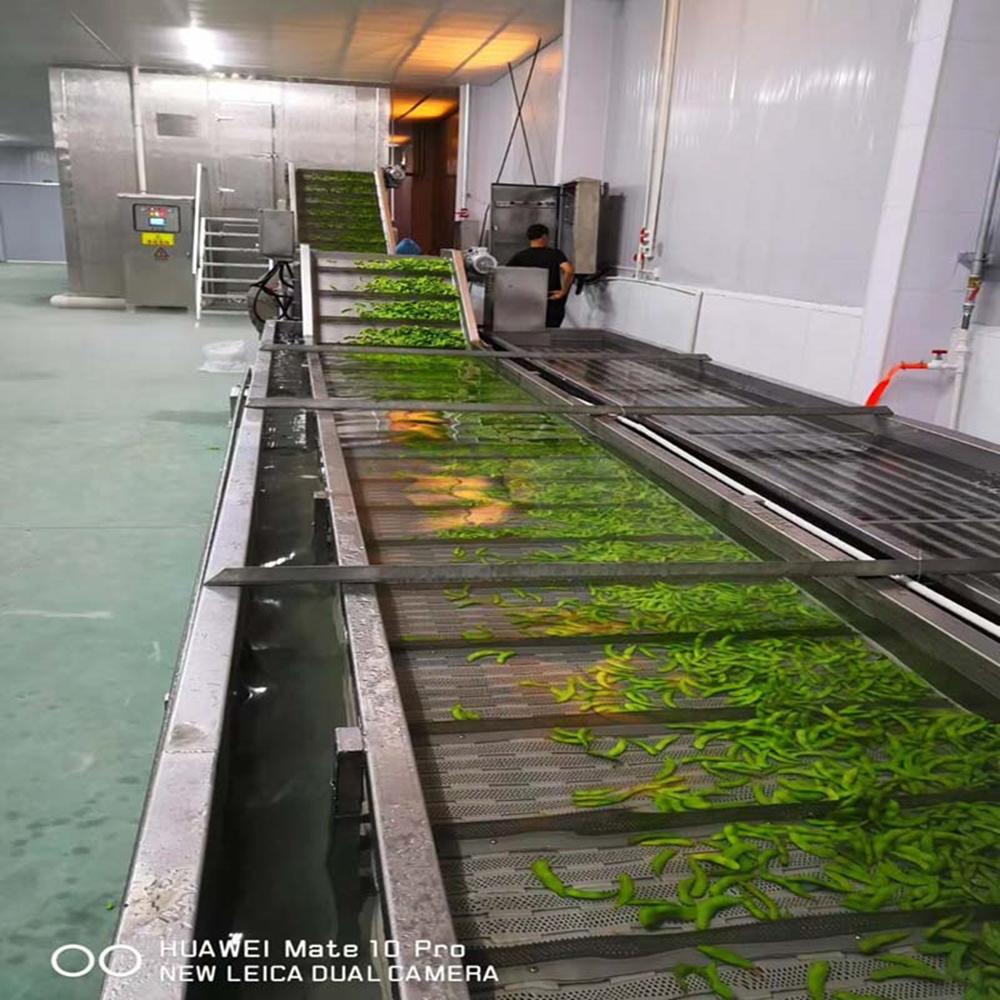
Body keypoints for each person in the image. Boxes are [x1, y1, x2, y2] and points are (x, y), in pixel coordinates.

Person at [507, 223, 575, 328]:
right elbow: (569, 271)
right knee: (550, 334)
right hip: (551, 301)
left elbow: (506, 275)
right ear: (544, 236)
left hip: (528, 301)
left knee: (527, 334)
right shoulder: (555, 254)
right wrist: (563, 291)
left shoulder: (520, 256)